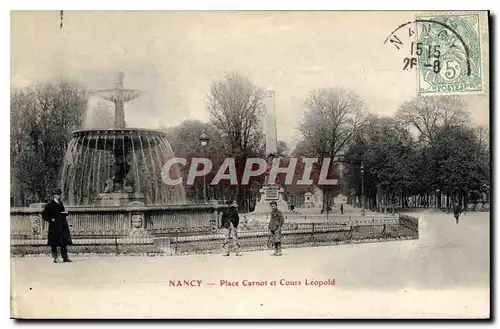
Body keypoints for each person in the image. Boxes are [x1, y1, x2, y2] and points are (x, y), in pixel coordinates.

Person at [42, 188, 73, 263]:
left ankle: (65, 257)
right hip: (54, 226)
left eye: (59, 194)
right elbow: (44, 215)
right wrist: (51, 219)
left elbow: (62, 212)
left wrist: (65, 213)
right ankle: (55, 258)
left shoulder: (60, 203)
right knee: (54, 242)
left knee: (63, 242)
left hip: (62, 225)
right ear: (54, 195)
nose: (59, 196)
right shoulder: (50, 204)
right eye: (57, 194)